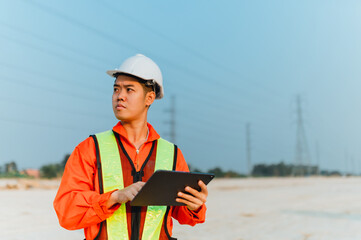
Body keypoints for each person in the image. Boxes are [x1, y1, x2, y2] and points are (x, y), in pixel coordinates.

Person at [53, 54, 208, 240]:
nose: (120, 96)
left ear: (149, 98)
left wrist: (194, 206)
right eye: (116, 89)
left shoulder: (172, 154)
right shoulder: (90, 149)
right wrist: (115, 197)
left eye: (129, 90)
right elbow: (67, 212)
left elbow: (184, 216)